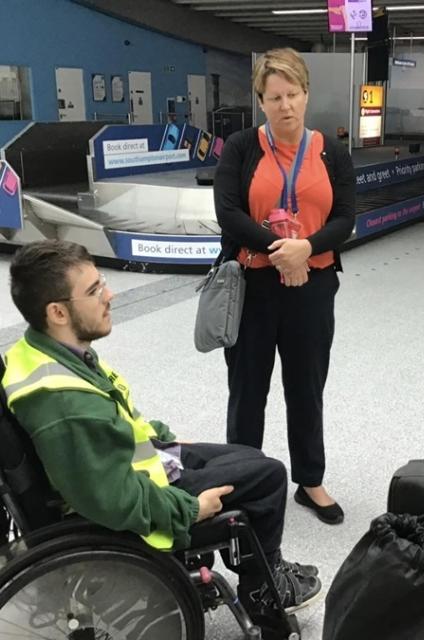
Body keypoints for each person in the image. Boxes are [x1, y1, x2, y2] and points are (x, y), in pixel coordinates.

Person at [1, 240, 320, 615]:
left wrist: (159, 437)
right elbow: (112, 500)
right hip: (134, 496)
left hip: (133, 461)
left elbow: (110, 419)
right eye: (94, 290)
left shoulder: (43, 353)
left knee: (248, 456)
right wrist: (188, 510)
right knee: (268, 476)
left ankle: (262, 567)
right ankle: (263, 594)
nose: (110, 294)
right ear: (57, 312)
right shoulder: (65, 407)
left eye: (101, 282)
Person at [214, 48, 355, 525]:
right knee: (247, 387)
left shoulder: (330, 151)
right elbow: (228, 214)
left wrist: (306, 248)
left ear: (306, 94)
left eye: (292, 94)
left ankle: (309, 481)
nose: (285, 105)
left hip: (312, 285)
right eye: (274, 97)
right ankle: (241, 480)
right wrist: (283, 249)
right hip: (253, 284)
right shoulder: (240, 147)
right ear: (261, 100)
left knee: (306, 384)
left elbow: (346, 219)